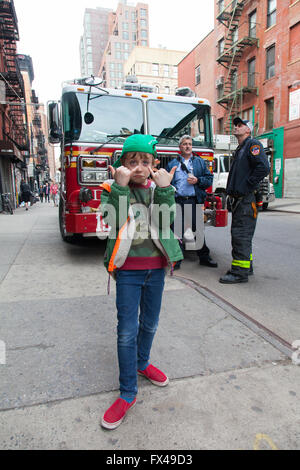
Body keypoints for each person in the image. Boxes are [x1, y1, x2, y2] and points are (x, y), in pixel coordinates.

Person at [99, 134, 182, 430]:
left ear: (153, 165)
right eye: (132, 161)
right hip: (128, 272)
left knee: (150, 323)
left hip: (156, 268)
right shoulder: (112, 188)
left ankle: (142, 363)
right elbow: (113, 219)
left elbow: (166, 220)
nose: (138, 167)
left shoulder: (158, 188)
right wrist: (120, 186)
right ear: (121, 165)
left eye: (144, 161)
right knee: (126, 331)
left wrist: (164, 190)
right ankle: (128, 392)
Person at [219, 117, 270, 284]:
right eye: (235, 124)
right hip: (240, 200)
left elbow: (263, 167)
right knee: (243, 236)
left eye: (240, 125)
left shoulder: (253, 145)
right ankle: (246, 267)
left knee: (240, 235)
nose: (236, 127)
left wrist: (247, 185)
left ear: (247, 130)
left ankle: (239, 273)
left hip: (246, 201)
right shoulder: (241, 148)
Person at [166, 135, 218, 269]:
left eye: (189, 144)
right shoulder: (172, 164)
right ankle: (176, 260)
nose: (188, 146)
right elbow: (165, 182)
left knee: (198, 230)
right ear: (180, 147)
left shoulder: (200, 162)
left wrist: (198, 180)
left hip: (193, 201)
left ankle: (204, 258)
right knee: (177, 231)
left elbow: (209, 179)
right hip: (177, 200)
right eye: (184, 144)